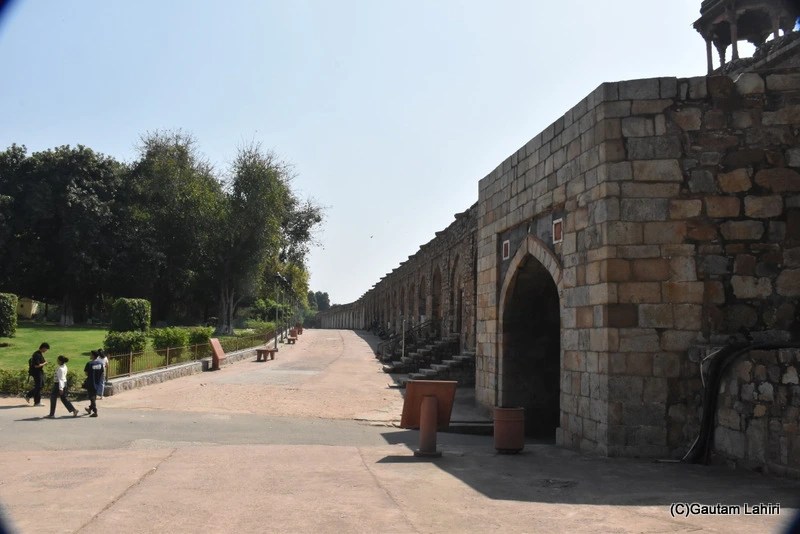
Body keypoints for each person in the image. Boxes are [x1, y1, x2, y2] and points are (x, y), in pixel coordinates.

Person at [83, 351, 104, 417]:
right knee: (94, 396)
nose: (90, 355)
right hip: (97, 382)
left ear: (93, 356)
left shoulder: (89, 363)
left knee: (91, 397)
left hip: (91, 382)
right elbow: (102, 372)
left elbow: (86, 373)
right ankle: (90, 409)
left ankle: (95, 411)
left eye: (91, 354)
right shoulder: (100, 364)